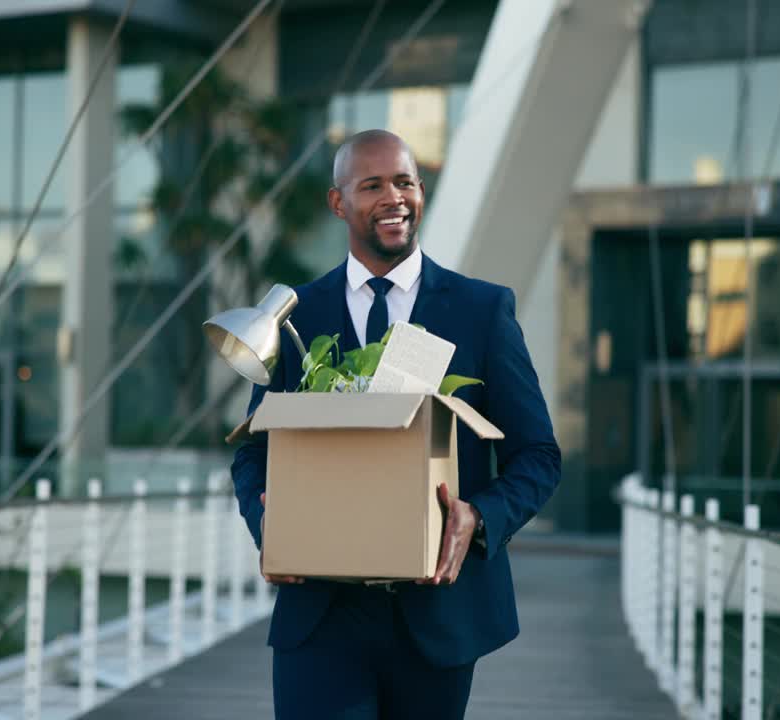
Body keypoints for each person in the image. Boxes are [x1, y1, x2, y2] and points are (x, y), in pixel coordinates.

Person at [231, 129, 561, 719]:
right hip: (321, 615)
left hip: (438, 617)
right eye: (373, 184)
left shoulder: (482, 311)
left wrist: (479, 518)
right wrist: (268, 526)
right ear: (338, 204)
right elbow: (252, 452)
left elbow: (538, 455)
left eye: (406, 182)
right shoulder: (295, 317)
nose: (395, 197)